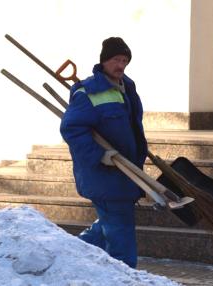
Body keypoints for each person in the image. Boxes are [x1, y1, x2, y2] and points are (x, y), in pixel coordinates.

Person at [60, 37, 148, 268]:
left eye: (125, 61)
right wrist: (100, 155)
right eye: (116, 60)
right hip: (104, 176)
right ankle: (126, 277)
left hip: (126, 173)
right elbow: (71, 128)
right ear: (104, 61)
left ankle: (68, 255)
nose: (121, 65)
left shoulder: (126, 87)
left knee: (107, 227)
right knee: (121, 235)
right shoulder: (88, 92)